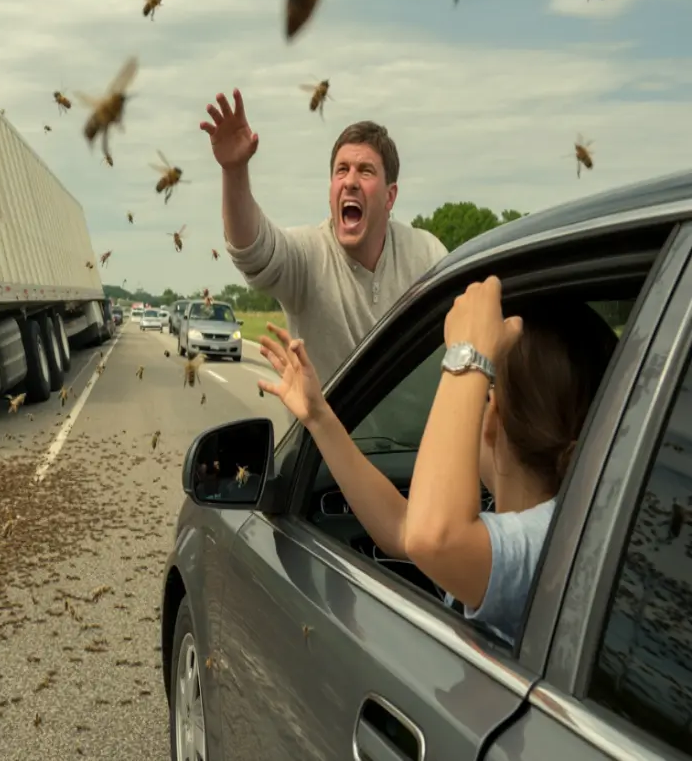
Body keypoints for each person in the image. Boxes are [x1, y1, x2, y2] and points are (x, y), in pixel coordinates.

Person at [255, 276, 619, 645]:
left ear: (490, 417)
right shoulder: (563, 525)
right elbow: (403, 527)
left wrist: (468, 356)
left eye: (485, 394)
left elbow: (430, 537)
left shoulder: (549, 542)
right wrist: (319, 417)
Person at [200, 89, 449, 383]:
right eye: (341, 170)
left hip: (414, 430)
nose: (351, 181)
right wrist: (234, 170)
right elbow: (252, 249)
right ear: (331, 189)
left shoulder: (426, 254)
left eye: (366, 171)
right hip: (324, 428)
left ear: (390, 196)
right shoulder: (307, 255)